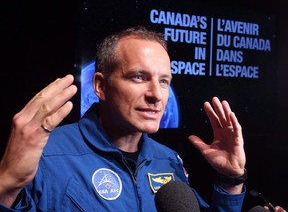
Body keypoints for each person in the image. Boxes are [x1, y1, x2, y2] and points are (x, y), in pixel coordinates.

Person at [0, 26, 247, 211]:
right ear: (100, 86)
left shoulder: (169, 161)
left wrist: (231, 180)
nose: (157, 96)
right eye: (138, 77)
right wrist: (6, 187)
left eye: (164, 81)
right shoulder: (46, 155)